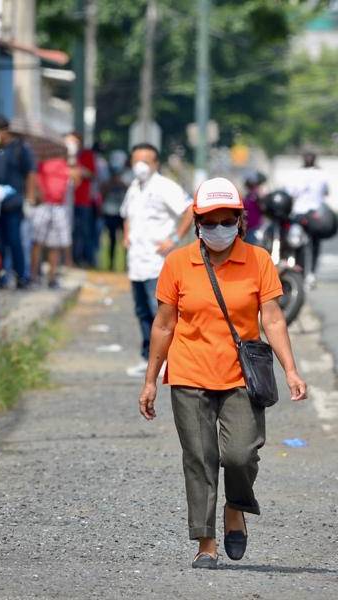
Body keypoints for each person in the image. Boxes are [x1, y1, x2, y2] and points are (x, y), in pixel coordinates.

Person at [139, 177, 307, 569]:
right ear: (197, 222)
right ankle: (206, 542)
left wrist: (292, 370)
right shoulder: (178, 263)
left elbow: (274, 319)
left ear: (239, 220)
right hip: (188, 372)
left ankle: (236, 508)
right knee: (199, 457)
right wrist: (150, 380)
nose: (218, 228)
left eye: (226, 220)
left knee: (240, 454)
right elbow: (163, 325)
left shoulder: (259, 260)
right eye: (210, 221)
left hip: (240, 377)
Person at [121, 143, 193, 378]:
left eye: (145, 161)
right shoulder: (134, 187)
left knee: (161, 314)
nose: (140, 166)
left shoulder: (165, 187)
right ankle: (148, 357)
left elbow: (190, 209)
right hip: (137, 262)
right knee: (142, 312)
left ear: (155, 164)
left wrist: (173, 238)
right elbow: (127, 214)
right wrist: (127, 235)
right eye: (136, 161)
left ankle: (169, 360)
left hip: (158, 264)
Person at [0, 116, 36, 289]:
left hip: (14, 203)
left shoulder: (20, 149)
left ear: (4, 130)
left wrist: (29, 199)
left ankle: (21, 276)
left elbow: (30, 174)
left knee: (15, 241)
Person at [283, 152, 328, 286]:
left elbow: (290, 193)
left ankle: (300, 272)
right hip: (315, 214)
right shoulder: (321, 174)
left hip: (298, 214)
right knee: (315, 244)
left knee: (297, 243)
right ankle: (311, 274)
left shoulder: (296, 174)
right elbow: (326, 192)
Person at [31, 154, 73, 287]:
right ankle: (34, 276)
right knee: (38, 243)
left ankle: (50, 277)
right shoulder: (42, 164)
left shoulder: (64, 166)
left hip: (57, 206)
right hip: (45, 205)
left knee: (53, 245)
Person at [68, 132, 99, 268]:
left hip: (83, 200)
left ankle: (85, 258)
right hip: (67, 201)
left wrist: (78, 169)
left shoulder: (87, 155)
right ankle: (71, 259)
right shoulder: (65, 155)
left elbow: (92, 174)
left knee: (84, 231)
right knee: (70, 232)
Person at [100, 150, 129, 270]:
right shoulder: (106, 174)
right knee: (111, 239)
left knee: (126, 239)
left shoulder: (129, 174)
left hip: (124, 212)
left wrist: (121, 183)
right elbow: (102, 191)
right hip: (110, 210)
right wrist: (111, 182)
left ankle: (127, 265)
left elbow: (131, 191)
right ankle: (111, 264)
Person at [242, 171, 266, 242]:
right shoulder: (246, 198)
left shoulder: (258, 198)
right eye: (250, 186)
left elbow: (263, 208)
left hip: (256, 228)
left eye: (253, 185)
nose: (252, 188)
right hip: (247, 228)